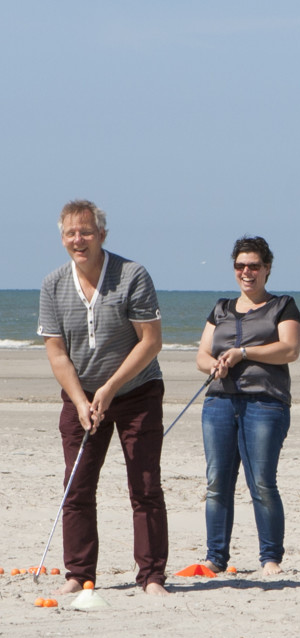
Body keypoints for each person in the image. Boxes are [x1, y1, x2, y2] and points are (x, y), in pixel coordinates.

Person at [37, 199, 168, 595]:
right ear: (62, 239)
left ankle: (152, 576)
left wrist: (110, 389)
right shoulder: (53, 284)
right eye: (71, 233)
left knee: (144, 486)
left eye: (87, 232)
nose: (80, 240)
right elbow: (56, 351)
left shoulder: (132, 275)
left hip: (136, 392)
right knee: (76, 487)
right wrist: (80, 400)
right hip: (81, 397)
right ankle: (79, 574)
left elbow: (151, 341)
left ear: (102, 235)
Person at [196, 236, 300, 576]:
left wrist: (244, 353)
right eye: (240, 266)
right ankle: (215, 558)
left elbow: (289, 349)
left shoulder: (283, 305)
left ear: (267, 269)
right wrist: (214, 364)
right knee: (216, 483)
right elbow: (201, 355)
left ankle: (270, 558)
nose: (247, 272)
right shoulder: (221, 308)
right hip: (219, 402)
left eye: (254, 266)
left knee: (261, 482)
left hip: (265, 403)